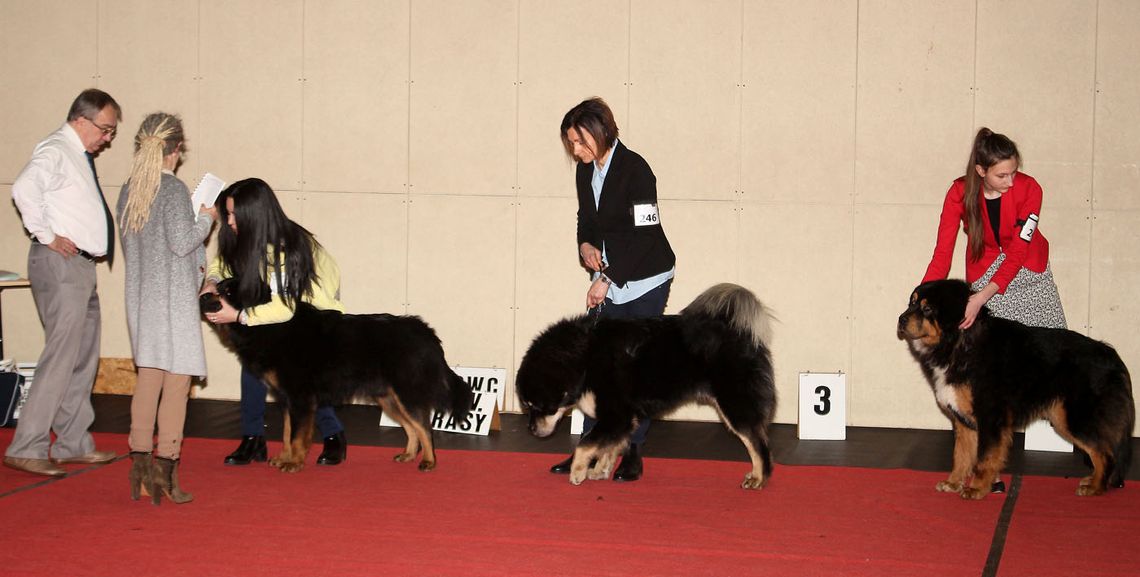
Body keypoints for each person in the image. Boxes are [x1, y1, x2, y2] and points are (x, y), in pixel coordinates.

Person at [551, 97, 676, 482]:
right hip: (610, 275)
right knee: (597, 366)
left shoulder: (636, 170)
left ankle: (632, 451)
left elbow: (645, 235)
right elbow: (585, 219)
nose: (576, 150)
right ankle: (588, 449)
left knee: (636, 371)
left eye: (581, 141)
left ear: (602, 132)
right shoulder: (585, 171)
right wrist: (585, 246)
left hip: (646, 277)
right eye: (571, 143)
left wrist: (606, 279)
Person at [4, 89, 121, 477]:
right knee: (60, 356)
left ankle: (73, 443)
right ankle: (27, 445)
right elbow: (23, 189)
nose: (107, 138)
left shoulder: (75, 154)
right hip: (61, 264)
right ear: (81, 120)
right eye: (105, 129)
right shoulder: (56, 148)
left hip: (80, 267)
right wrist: (46, 235)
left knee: (82, 358)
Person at [200, 178, 347, 467]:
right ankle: (252, 438)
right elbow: (222, 264)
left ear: (254, 214)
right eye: (227, 213)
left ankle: (333, 435)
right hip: (275, 307)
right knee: (253, 363)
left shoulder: (288, 246)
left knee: (304, 380)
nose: (228, 221)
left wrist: (240, 316)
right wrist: (212, 282)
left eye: (233, 214)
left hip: (312, 310)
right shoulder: (241, 234)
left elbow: (286, 306)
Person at [118, 112, 216, 504]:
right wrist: (205, 220)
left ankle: (139, 465)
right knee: (177, 387)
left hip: (143, 299)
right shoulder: (173, 190)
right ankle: (166, 469)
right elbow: (181, 242)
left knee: (148, 381)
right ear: (176, 149)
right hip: (173, 302)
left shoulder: (130, 190)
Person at [922, 127, 1066, 331]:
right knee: (996, 357)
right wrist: (922, 299)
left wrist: (980, 298)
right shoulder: (958, 193)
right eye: (1002, 175)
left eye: (1014, 172)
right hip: (985, 275)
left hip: (1030, 274)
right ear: (981, 171)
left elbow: (1018, 251)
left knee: (1053, 350)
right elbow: (942, 254)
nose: (1011, 181)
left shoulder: (1031, 189)